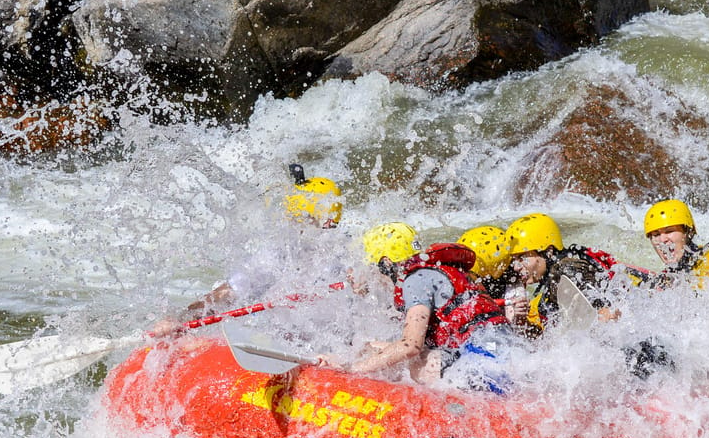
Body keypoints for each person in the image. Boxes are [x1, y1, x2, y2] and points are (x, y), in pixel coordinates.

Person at [347, 222, 516, 385]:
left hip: (482, 366)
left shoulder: (415, 280)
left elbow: (410, 346)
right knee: (373, 347)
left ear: (386, 264)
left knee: (409, 364)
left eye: (370, 267)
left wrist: (352, 371)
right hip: (500, 355)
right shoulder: (432, 272)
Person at [186, 164, 345, 315]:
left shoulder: (346, 258)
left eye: (300, 219)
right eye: (293, 219)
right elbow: (228, 292)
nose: (292, 224)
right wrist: (182, 319)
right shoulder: (280, 255)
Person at [503, 213, 650, 333]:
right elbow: (543, 339)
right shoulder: (548, 283)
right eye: (515, 259)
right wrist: (521, 321)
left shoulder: (568, 270)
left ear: (548, 251)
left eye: (522, 258)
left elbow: (608, 314)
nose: (516, 267)